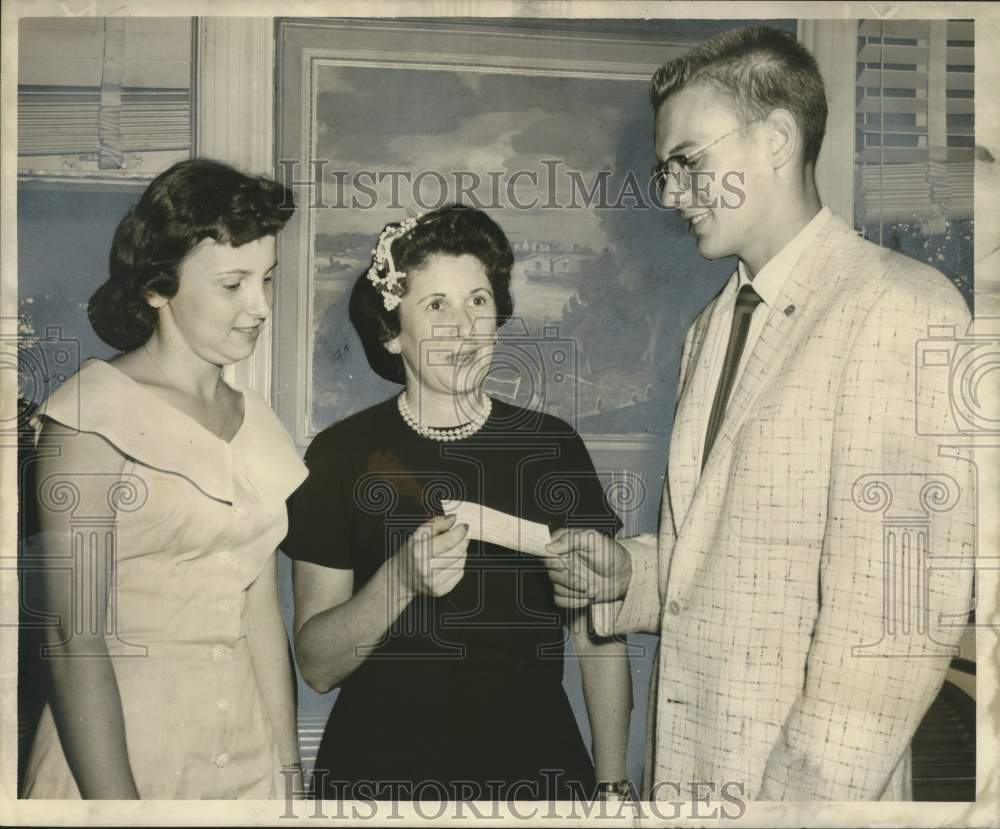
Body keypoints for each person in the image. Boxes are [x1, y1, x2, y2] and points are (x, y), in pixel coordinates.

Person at [545, 26, 975, 801]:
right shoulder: (714, 324)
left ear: (776, 137)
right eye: (665, 171)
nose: (673, 194)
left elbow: (895, 625)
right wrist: (628, 574)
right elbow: (725, 554)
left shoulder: (900, 307)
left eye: (689, 162)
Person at [281, 204, 632, 802]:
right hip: (379, 780)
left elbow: (598, 636)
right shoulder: (341, 455)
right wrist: (402, 580)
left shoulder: (551, 448)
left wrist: (614, 783)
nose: (465, 327)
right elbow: (317, 667)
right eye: (436, 305)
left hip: (533, 776)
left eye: (477, 300)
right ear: (393, 332)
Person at [21, 159, 308, 799]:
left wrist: (289, 777)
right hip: (122, 758)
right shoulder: (88, 416)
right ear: (158, 288)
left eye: (267, 280)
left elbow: (260, 611)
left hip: (247, 755)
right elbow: (72, 638)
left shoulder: (258, 423)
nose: (260, 306)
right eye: (233, 284)